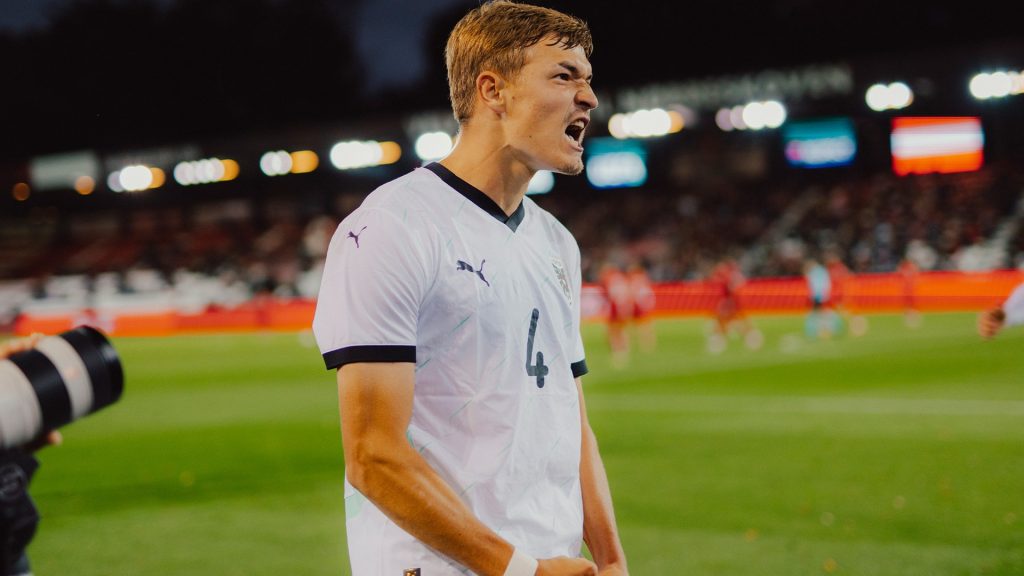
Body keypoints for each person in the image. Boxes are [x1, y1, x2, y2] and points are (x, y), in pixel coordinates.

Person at [312, 3, 627, 575]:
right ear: (493, 90)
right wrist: (520, 569)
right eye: (564, 76)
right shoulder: (390, 227)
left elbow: (571, 422)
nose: (589, 97)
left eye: (588, 79)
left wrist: (610, 560)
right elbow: (373, 456)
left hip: (550, 563)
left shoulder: (557, 243)